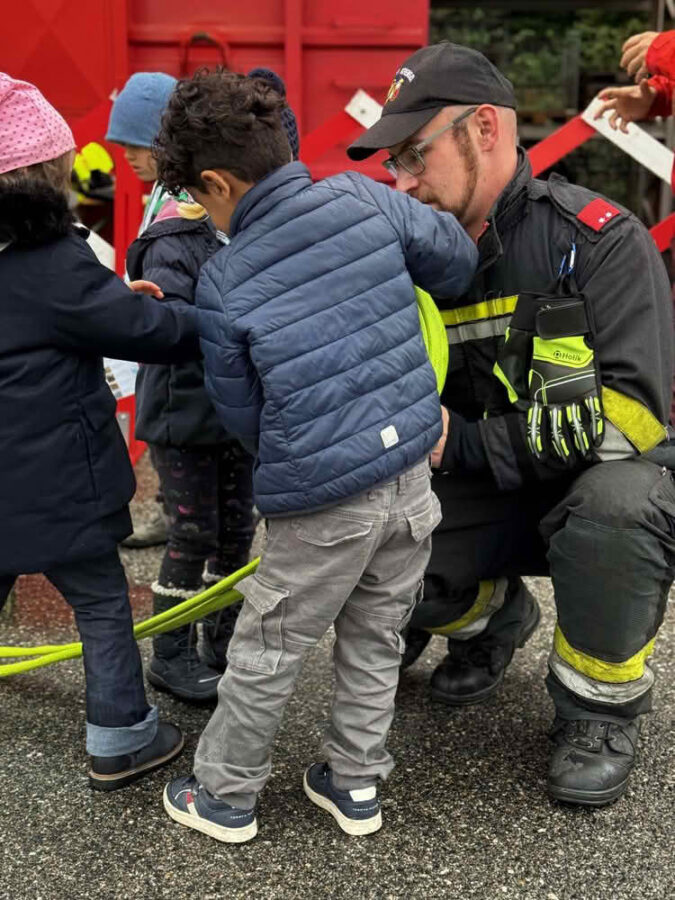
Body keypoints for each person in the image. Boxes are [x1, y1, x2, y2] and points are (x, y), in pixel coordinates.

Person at [347, 41, 675, 807]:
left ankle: (596, 711)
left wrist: (461, 441)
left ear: (485, 129)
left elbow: (627, 418)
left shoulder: (597, 240)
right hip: (481, 489)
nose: (401, 181)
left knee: (621, 506)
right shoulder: (407, 258)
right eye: (390, 164)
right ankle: (491, 620)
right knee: (360, 528)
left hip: (587, 487)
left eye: (411, 156)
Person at [153, 69, 478, 842]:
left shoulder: (224, 282)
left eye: (202, 199)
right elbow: (454, 262)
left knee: (269, 646)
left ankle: (224, 795)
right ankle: (355, 784)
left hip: (322, 500)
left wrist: (299, 460)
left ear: (216, 181)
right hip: (408, 476)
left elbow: (242, 411)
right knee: (376, 634)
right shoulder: (364, 198)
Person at [0, 72, 202, 789]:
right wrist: (198, 320)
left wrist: (105, 301)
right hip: (60, 483)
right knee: (99, 600)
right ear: (43, 177)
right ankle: (120, 736)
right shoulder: (53, 262)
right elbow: (146, 330)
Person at [124, 68, 299, 702]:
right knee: (192, 532)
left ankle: (221, 644)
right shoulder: (174, 235)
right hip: (184, 417)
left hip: (236, 414)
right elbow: (170, 321)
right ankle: (170, 650)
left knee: (236, 534)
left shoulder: (245, 229)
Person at [105, 71, 181, 548]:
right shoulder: (159, 191)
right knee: (159, 427)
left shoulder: (183, 199)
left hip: (171, 341)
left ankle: (179, 515)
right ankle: (170, 509)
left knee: (174, 434)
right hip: (155, 342)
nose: (127, 155)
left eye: (137, 143)